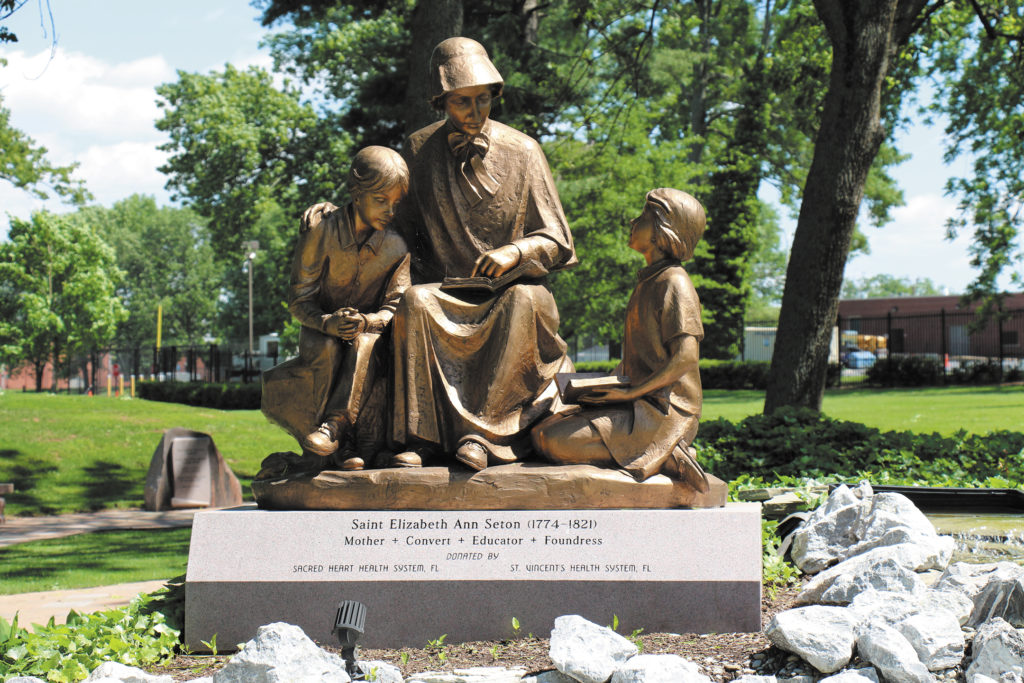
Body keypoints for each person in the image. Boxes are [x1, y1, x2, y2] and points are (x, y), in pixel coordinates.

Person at [388, 37, 578, 471]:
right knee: (415, 302)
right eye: (461, 102)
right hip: (447, 290)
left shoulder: (523, 150)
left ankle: (485, 436)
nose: (474, 112)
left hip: (514, 289)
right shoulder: (419, 150)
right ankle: (421, 439)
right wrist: (339, 218)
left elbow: (558, 239)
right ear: (441, 101)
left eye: (483, 99)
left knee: (522, 301)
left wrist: (516, 251)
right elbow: (397, 226)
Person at [530, 188, 708, 487]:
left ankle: (665, 451)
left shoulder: (675, 282)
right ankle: (653, 451)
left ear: (662, 230)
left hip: (665, 410)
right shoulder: (650, 279)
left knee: (552, 440)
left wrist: (629, 394)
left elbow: (686, 357)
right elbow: (641, 361)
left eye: (642, 217)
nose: (632, 221)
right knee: (539, 432)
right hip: (638, 399)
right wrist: (602, 387)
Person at [261, 146, 411, 471]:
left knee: (365, 345)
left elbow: (397, 306)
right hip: (320, 333)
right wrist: (328, 323)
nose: (390, 211)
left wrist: (367, 322)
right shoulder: (322, 229)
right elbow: (300, 300)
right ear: (356, 194)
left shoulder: (397, 247)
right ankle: (339, 450)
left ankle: (335, 429)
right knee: (330, 350)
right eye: (381, 200)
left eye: (396, 203)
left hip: (370, 337)